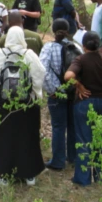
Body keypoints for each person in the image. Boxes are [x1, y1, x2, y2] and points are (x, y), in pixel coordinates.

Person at [0, 26, 46, 185]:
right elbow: (40, 75)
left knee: (4, 136)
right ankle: (29, 175)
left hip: (3, 105)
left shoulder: (0, 54)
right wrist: (35, 93)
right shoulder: (29, 54)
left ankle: (3, 175)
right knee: (28, 136)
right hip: (27, 105)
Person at [64, 31, 102, 186]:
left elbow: (68, 76)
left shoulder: (80, 59)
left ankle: (83, 178)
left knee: (84, 141)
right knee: (101, 141)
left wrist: (79, 86)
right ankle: (101, 177)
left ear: (84, 45)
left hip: (85, 103)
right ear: (99, 44)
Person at [39, 19, 78, 171]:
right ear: (68, 30)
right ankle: (73, 157)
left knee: (58, 127)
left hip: (57, 95)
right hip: (73, 93)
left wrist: (52, 90)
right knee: (72, 126)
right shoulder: (76, 47)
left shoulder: (48, 48)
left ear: (53, 31)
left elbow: (43, 70)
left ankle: (58, 161)